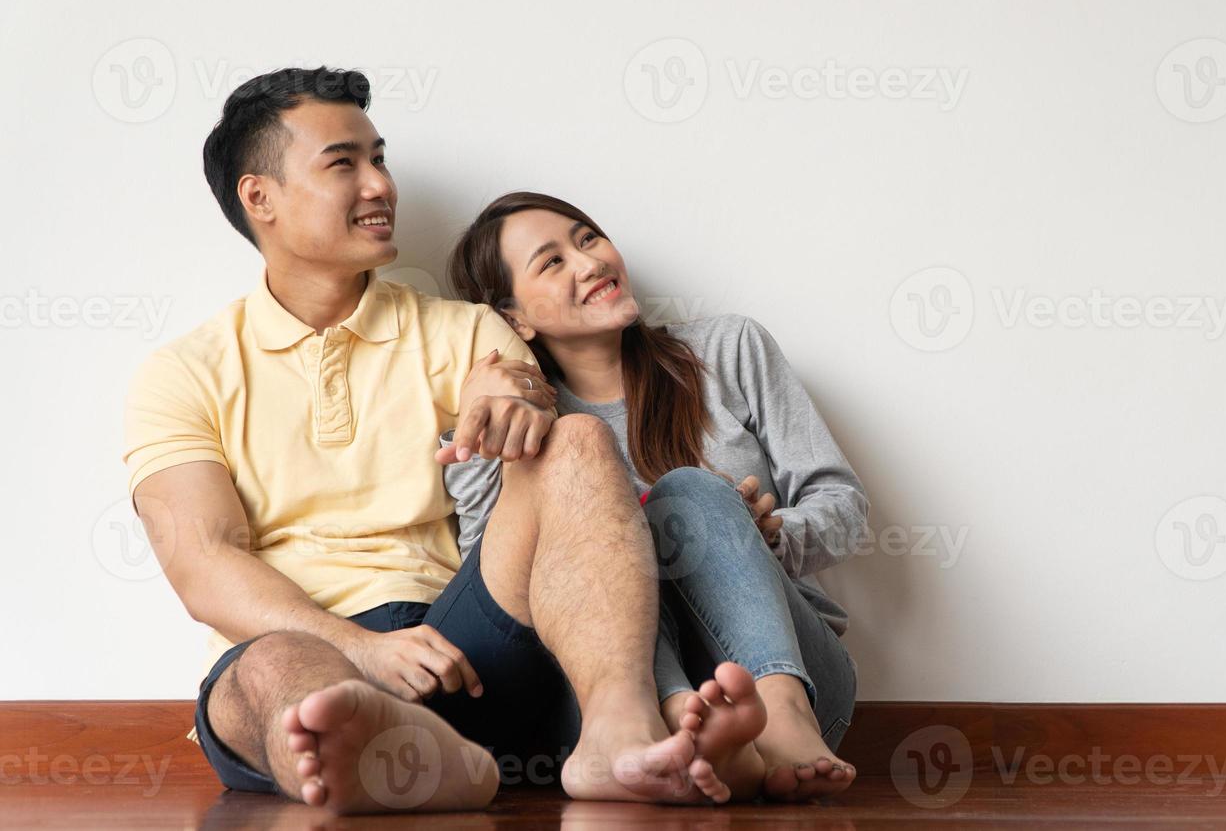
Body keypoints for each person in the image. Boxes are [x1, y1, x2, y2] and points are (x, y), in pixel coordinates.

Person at [122, 68, 758, 815]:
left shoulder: (465, 332)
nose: (380, 185)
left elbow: (527, 412)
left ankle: (614, 736)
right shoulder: (182, 373)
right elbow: (203, 564)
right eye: (344, 164)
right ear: (259, 197)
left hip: (465, 641)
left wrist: (517, 398)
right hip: (308, 647)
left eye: (379, 158)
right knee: (269, 678)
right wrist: (358, 650)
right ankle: (418, 754)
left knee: (579, 442)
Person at [440, 192, 870, 801]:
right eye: (552, 261)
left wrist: (771, 534)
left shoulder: (730, 350)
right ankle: (697, 736)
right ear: (515, 320)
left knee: (688, 491)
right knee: (621, 561)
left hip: (797, 670)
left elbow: (845, 508)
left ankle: (781, 722)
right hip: (615, 716)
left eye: (587, 238)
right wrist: (491, 414)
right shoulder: (510, 429)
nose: (589, 262)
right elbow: (502, 584)